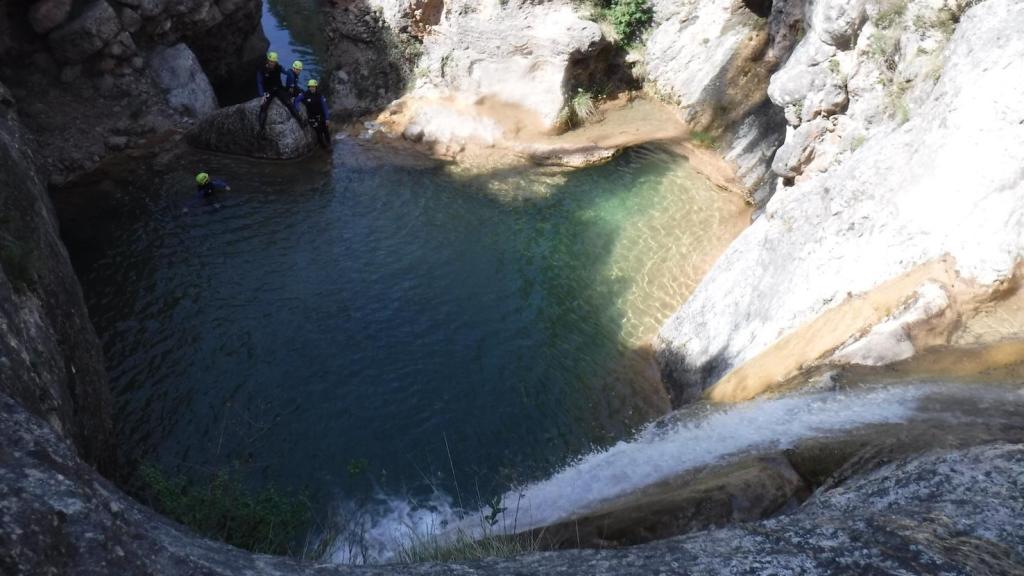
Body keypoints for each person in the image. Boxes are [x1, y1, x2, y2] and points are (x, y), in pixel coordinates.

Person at [257, 51, 301, 134]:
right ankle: (261, 130)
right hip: (268, 90)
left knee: (288, 103)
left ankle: (300, 121)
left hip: (278, 88)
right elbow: (259, 82)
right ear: (267, 60)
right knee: (263, 107)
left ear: (276, 62)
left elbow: (288, 73)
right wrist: (262, 95)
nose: (272, 63)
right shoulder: (262, 69)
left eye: (273, 62)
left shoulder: (279, 67)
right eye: (270, 61)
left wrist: (292, 84)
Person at [293, 79, 332, 150]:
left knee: (325, 130)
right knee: (318, 132)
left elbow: (325, 107)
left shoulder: (319, 95)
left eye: (313, 87)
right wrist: (298, 109)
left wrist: (327, 118)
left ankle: (329, 144)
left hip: (321, 115)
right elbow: (296, 100)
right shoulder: (305, 94)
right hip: (312, 117)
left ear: (316, 87)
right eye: (311, 87)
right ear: (308, 87)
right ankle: (324, 147)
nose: (312, 88)